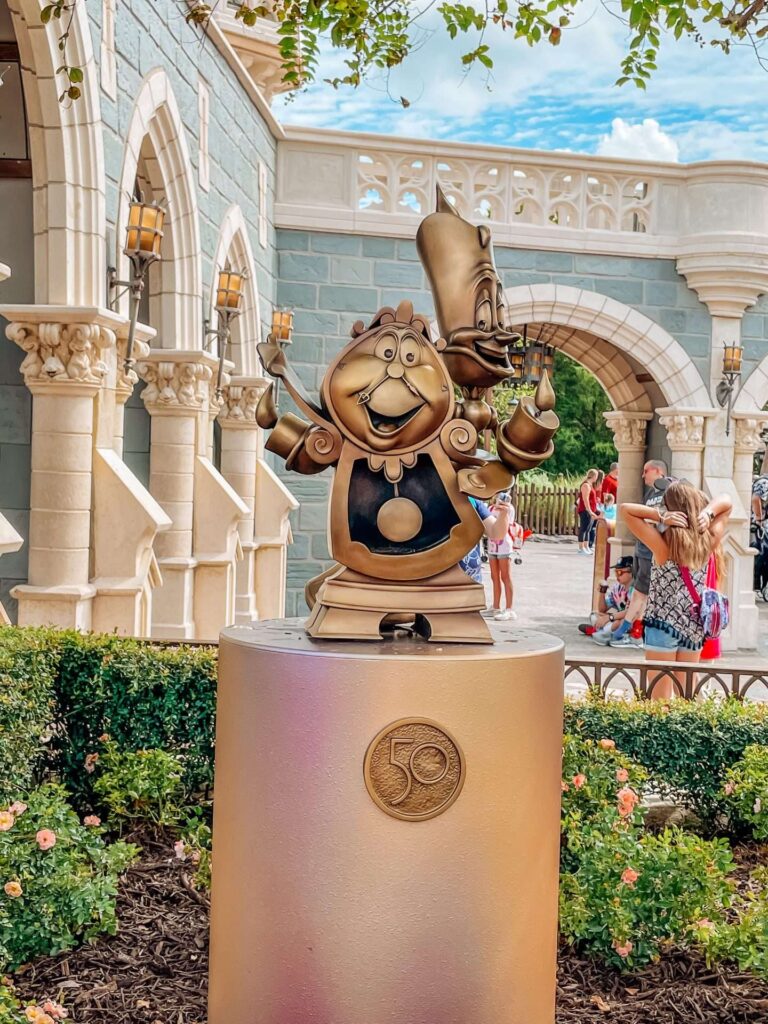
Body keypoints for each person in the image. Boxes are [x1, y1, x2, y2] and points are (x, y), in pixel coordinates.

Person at [620, 483, 732, 698]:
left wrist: (661, 516)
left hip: (662, 625)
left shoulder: (663, 546)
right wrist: (708, 514)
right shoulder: (707, 542)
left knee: (660, 702)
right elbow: (727, 502)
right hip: (693, 628)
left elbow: (625, 509)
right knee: (685, 700)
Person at [609, 460, 671, 648]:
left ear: (658, 471)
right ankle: (634, 631)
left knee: (641, 593)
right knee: (639, 592)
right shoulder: (651, 493)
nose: (643, 475)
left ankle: (625, 633)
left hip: (653, 551)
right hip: (642, 548)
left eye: (646, 471)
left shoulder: (669, 491)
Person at [577, 556, 634, 644]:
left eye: (620, 572)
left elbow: (630, 612)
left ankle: (599, 632)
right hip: (617, 619)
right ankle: (602, 630)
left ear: (631, 573)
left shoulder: (635, 589)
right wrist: (602, 592)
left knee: (620, 622)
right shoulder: (617, 588)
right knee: (595, 614)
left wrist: (609, 617)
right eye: (616, 572)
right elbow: (602, 609)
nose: (617, 575)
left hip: (631, 621)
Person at [459, 496, 510, 586]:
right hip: (432, 584)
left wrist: (503, 514)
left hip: (470, 583)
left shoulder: (472, 500)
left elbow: (496, 533)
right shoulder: (426, 498)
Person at [487, 491, 517, 620]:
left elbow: (507, 523)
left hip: (504, 545)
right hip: (492, 545)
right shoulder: (490, 508)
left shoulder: (509, 508)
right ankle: (495, 606)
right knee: (494, 577)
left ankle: (509, 609)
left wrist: (504, 509)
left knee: (505, 576)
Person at [576, 469, 599, 555]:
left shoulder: (590, 485)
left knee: (588, 529)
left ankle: (586, 547)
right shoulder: (586, 485)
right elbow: (585, 499)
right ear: (594, 476)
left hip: (591, 510)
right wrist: (589, 511)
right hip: (585, 510)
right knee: (583, 529)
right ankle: (581, 548)